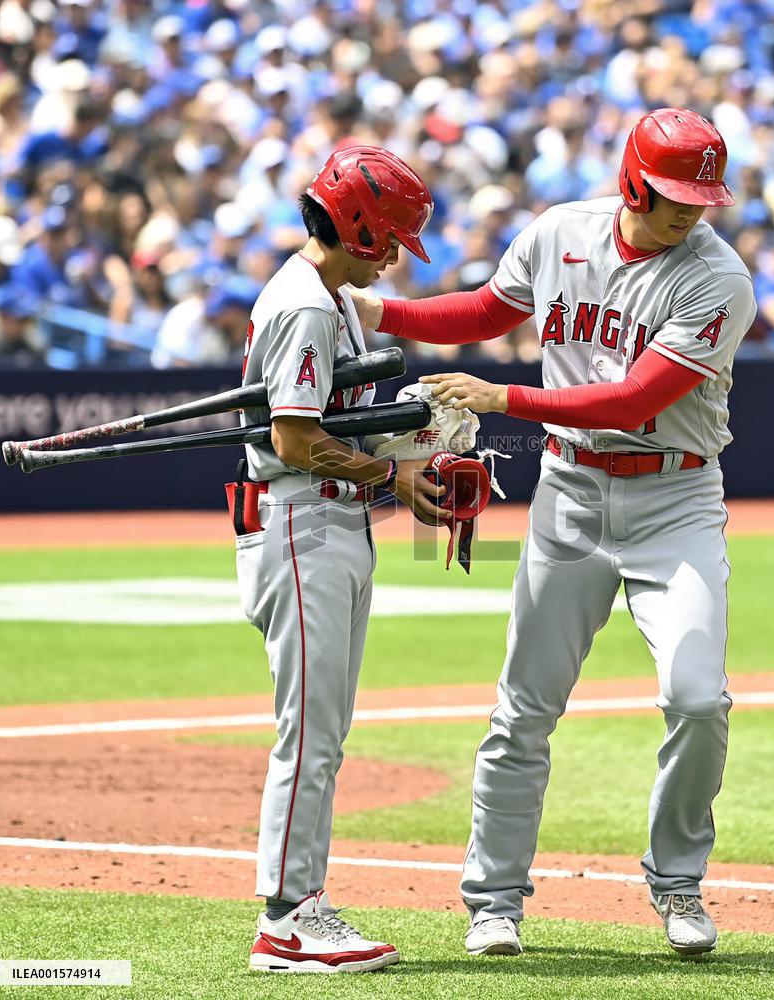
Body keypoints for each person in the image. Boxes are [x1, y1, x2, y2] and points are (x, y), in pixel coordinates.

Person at [352, 109, 757, 957]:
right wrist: (377, 310)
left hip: (676, 503)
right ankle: (494, 900)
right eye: (678, 194)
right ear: (634, 179)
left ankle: (677, 881)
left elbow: (632, 401)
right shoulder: (558, 232)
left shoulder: (717, 278)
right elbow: (483, 312)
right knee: (522, 712)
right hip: (571, 494)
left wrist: (507, 401)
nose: (694, 211)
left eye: (704, 196)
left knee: (697, 700)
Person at [234, 145, 447, 974]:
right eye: (389, 236)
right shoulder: (308, 307)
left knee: (326, 730)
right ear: (355, 224)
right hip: (300, 523)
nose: (395, 253)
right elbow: (293, 438)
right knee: (312, 732)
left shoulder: (331, 298)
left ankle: (305, 901)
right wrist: (391, 472)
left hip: (330, 524)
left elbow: (330, 421)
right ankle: (285, 921)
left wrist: (418, 435)